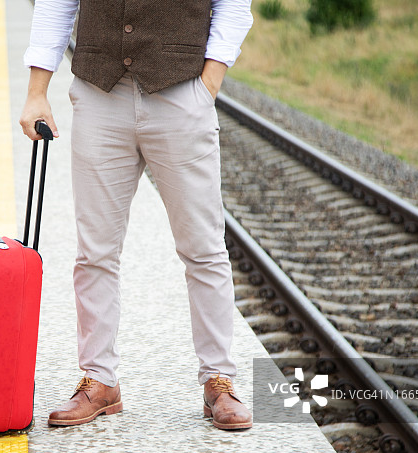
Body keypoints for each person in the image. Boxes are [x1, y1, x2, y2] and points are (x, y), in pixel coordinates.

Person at [19, 0, 254, 430]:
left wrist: (208, 85)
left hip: (182, 93)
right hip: (99, 96)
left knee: (203, 248)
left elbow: (233, 4)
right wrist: (37, 91)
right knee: (95, 251)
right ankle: (99, 380)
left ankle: (219, 381)